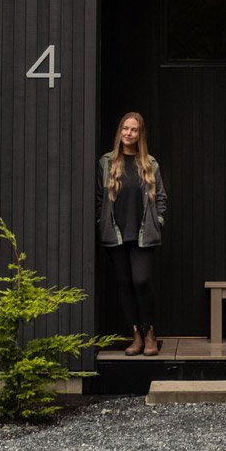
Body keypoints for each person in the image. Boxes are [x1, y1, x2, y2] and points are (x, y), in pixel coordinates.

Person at [96, 111, 167, 357]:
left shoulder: (150, 163)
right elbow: (99, 199)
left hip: (142, 234)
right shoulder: (106, 162)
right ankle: (135, 336)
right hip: (115, 235)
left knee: (141, 281)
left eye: (134, 130)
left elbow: (160, 198)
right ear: (120, 131)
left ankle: (150, 334)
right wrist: (101, 221)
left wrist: (157, 221)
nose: (129, 133)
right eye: (125, 128)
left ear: (140, 134)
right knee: (125, 285)